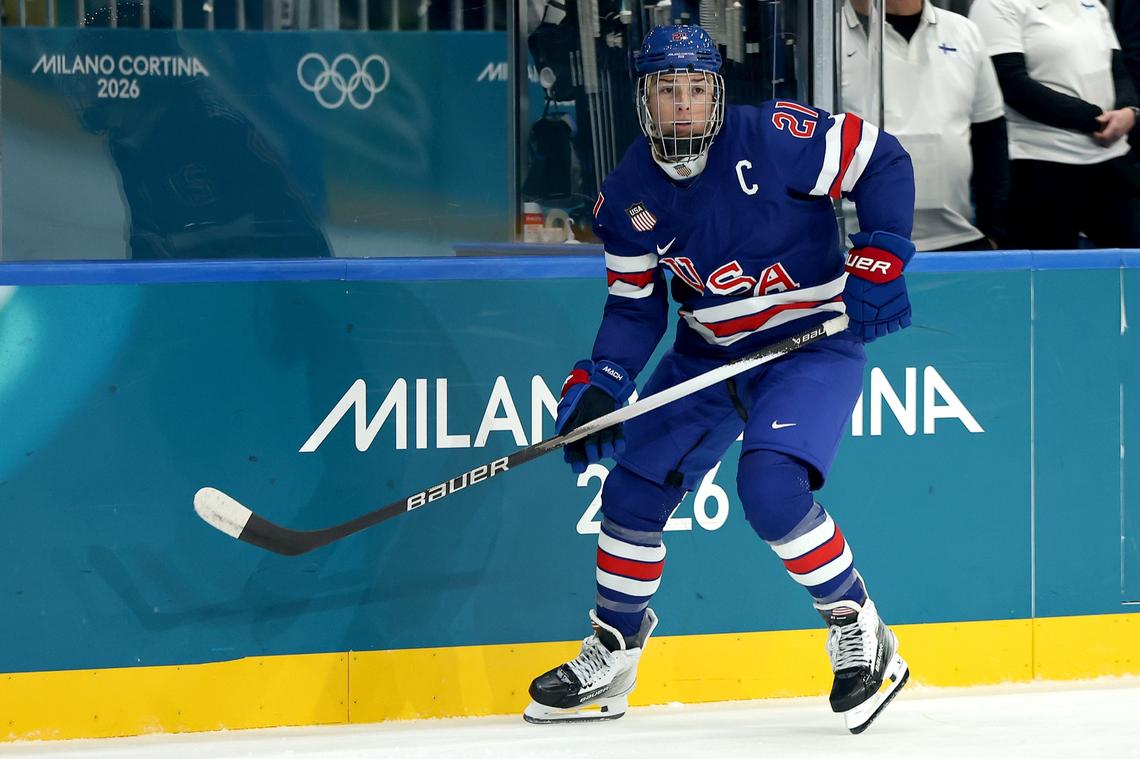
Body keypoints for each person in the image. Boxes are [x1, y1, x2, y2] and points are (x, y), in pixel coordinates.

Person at [522, 25, 916, 734]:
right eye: (667, 90)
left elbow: (881, 159)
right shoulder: (627, 194)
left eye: (696, 89)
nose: (683, 105)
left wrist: (882, 250)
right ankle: (614, 652)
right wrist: (604, 378)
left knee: (771, 489)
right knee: (632, 491)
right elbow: (634, 307)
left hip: (810, 347)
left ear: (716, 93)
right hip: (709, 355)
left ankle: (861, 627)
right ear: (644, 99)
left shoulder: (776, 135)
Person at [969, 0, 1140, 249]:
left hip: (1111, 159)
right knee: (1047, 279)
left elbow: (1118, 70)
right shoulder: (994, 5)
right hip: (1039, 164)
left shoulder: (1092, 4)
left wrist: (1129, 111)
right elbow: (1011, 84)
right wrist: (1095, 118)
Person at [842, 0, 1010, 251]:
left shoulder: (963, 31)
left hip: (957, 235)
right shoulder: (826, 39)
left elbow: (990, 137)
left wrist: (994, 232)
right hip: (855, 240)